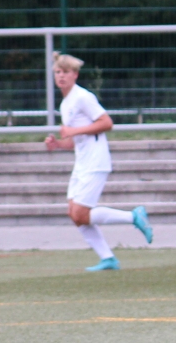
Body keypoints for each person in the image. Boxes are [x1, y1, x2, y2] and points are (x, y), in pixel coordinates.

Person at [44, 54, 150, 270]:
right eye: (58, 72)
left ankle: (133, 216)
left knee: (80, 213)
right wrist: (59, 144)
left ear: (75, 75)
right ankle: (108, 258)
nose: (61, 76)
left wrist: (73, 131)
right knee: (74, 214)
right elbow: (75, 140)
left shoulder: (83, 97)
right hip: (82, 162)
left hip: (96, 161)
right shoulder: (65, 104)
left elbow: (106, 123)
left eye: (66, 72)